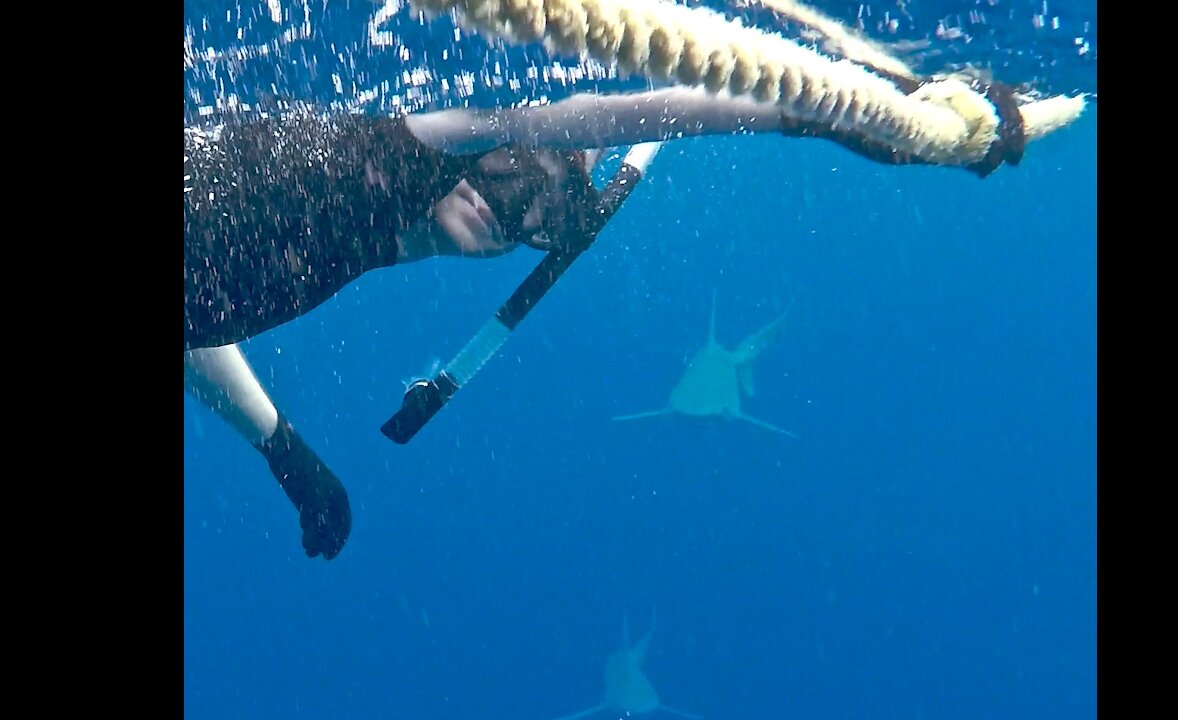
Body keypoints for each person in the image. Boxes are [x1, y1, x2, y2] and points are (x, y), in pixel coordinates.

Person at [185, 84, 1013, 561]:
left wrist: (280, 448)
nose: (512, 195)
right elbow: (619, 111)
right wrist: (837, 114)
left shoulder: (368, 237)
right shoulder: (386, 160)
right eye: (518, 160)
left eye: (550, 203)